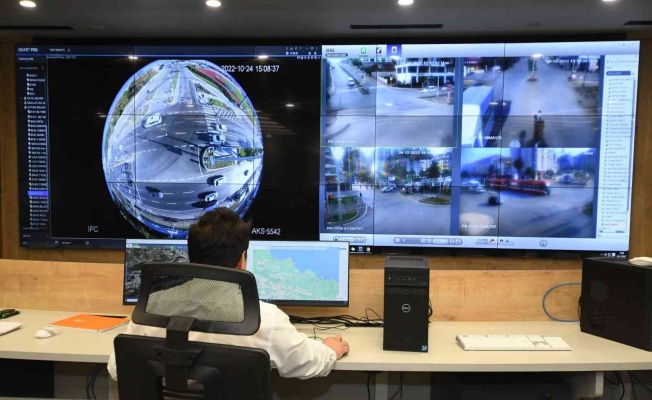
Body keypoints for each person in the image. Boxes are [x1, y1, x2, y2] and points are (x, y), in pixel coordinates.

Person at [107, 208, 349, 381]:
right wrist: (329, 350)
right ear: (242, 260)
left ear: (191, 257)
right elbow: (308, 363)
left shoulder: (152, 307)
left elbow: (117, 370)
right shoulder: (263, 317)